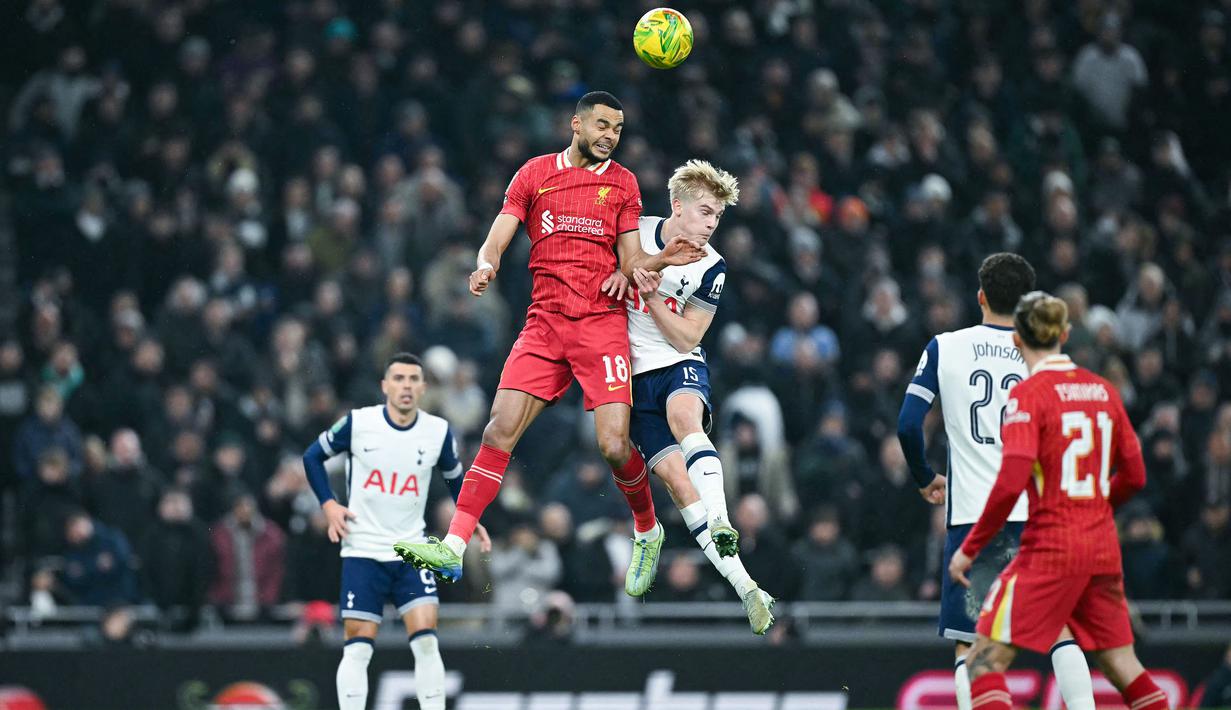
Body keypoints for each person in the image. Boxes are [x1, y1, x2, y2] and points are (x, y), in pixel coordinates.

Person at [394, 91, 706, 596]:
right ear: (575, 124)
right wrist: (487, 262)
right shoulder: (535, 173)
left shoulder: (623, 184)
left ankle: (648, 529)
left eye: (618, 129)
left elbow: (629, 264)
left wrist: (662, 260)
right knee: (498, 432)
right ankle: (452, 546)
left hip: (600, 325)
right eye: (602, 125)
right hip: (543, 325)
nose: (610, 136)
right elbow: (500, 230)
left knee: (612, 445)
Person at [949, 291, 1169, 710]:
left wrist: (969, 549)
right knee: (1126, 667)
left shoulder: (1029, 397)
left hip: (1050, 548)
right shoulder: (1104, 391)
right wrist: (1098, 504)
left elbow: (1011, 483)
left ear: (1017, 339)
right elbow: (1136, 475)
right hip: (1102, 549)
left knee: (981, 663)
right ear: (1065, 334)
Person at [898, 254, 1094, 710]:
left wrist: (925, 477)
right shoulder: (1048, 355)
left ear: (981, 296)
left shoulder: (944, 347)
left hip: (975, 518)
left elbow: (909, 425)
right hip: (1042, 516)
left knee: (972, 643)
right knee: (1060, 628)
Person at [624, 159, 775, 633]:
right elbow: (618, 271)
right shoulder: (636, 231)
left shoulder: (712, 266)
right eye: (705, 212)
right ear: (677, 207)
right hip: (630, 379)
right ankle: (746, 586)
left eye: (717, 217)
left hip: (678, 364)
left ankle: (723, 519)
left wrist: (650, 298)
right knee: (676, 483)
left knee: (685, 420)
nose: (711, 224)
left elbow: (688, 338)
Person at [302, 353, 491, 710]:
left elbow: (455, 480)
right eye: (399, 378)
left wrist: (471, 519)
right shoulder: (358, 423)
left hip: (412, 552)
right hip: (363, 551)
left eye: (413, 379)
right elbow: (312, 457)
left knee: (426, 642)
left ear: (423, 387)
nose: (406, 386)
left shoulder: (437, 432)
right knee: (358, 647)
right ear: (385, 386)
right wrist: (328, 504)